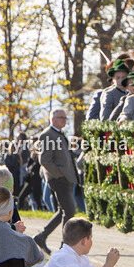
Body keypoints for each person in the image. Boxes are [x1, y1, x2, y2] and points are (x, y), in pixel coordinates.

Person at [33, 109, 79, 255]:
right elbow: (44, 160)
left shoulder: (59, 134)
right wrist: (58, 174)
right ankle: (65, 246)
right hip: (59, 179)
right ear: (53, 119)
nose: (64, 120)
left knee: (64, 211)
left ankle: (41, 237)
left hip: (66, 178)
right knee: (69, 211)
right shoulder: (47, 135)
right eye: (61, 117)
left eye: (65, 117)